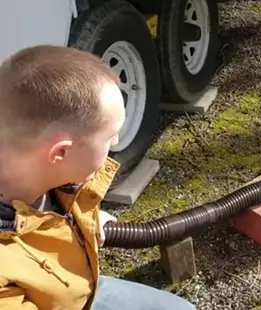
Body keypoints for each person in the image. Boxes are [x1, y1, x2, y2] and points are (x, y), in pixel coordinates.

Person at [0, 45, 196, 310]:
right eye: (108, 136)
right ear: (61, 152)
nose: (116, 141)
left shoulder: (33, 165)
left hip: (80, 291)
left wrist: (82, 220)